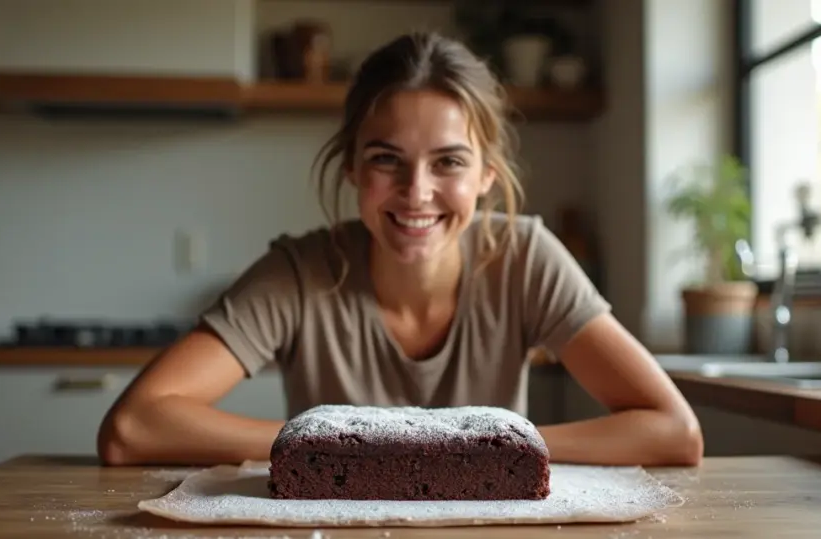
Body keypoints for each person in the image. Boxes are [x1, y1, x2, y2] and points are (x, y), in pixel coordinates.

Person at [97, 31, 703, 468]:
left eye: (449, 163)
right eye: (387, 159)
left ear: (487, 175)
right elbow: (132, 427)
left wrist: (488, 446)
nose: (417, 193)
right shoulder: (300, 272)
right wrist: (345, 442)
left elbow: (674, 431)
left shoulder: (525, 257)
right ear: (353, 169)